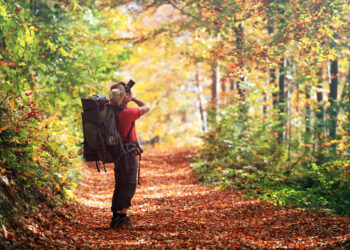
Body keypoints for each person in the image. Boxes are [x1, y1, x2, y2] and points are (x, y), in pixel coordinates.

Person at [108, 81, 149, 229]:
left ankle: (116, 217)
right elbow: (146, 107)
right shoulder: (126, 114)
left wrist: (117, 87)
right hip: (128, 153)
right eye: (125, 94)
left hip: (117, 154)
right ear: (123, 99)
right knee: (129, 184)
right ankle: (123, 217)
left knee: (120, 185)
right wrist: (134, 98)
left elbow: (112, 94)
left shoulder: (110, 110)